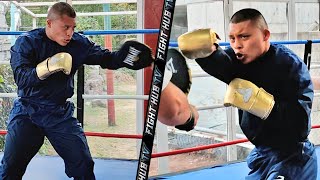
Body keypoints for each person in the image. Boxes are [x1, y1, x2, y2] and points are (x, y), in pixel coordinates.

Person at [0, 2, 198, 179]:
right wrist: (49, 66)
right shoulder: (27, 42)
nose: (69, 33)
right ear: (49, 24)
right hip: (28, 111)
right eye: (65, 27)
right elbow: (22, 79)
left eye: (73, 28)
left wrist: (124, 58)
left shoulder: (77, 43)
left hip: (58, 113)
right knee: (10, 169)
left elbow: (106, 58)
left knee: (84, 166)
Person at [178, 8, 317, 179]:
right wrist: (206, 53)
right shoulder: (239, 60)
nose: (237, 44)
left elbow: (300, 126)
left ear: (265, 35)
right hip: (263, 154)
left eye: (244, 37)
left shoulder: (289, 66)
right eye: (232, 38)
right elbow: (222, 65)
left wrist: (263, 105)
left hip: (293, 156)